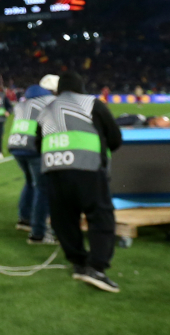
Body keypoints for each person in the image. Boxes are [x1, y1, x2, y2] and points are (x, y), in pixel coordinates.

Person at [36, 71, 123, 292]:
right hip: (87, 167)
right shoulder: (91, 103)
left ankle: (78, 263)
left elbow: (37, 143)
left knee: (64, 220)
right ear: (80, 86)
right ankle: (97, 268)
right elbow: (115, 137)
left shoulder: (46, 110)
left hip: (54, 169)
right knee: (100, 216)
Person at [8, 81, 55, 245]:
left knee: (30, 182)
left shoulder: (22, 103)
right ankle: (38, 233)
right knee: (43, 188)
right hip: (34, 146)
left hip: (16, 145)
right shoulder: (49, 102)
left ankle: (24, 219)